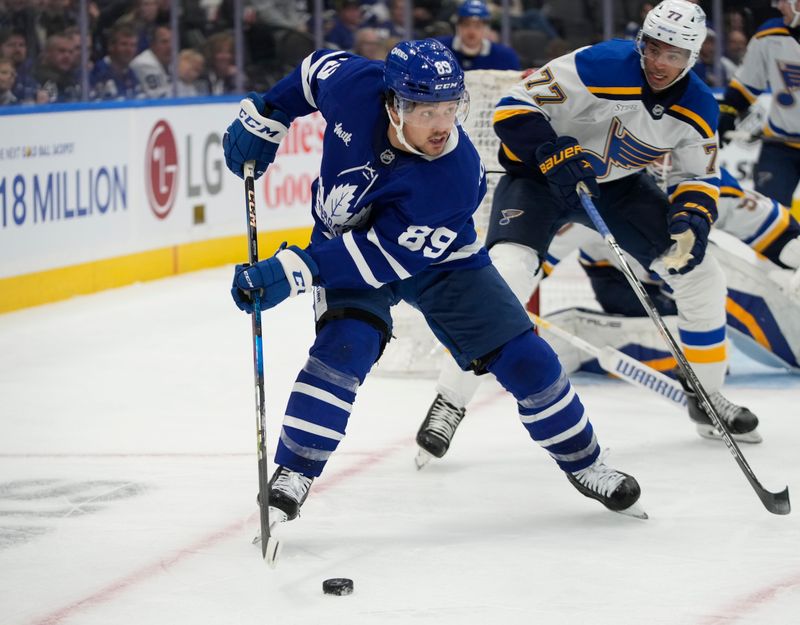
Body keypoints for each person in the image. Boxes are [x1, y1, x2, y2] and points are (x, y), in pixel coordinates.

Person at [222, 39, 645, 522]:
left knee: (527, 360)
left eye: (450, 108)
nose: (443, 125)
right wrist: (272, 112)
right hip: (344, 243)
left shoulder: (455, 174)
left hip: (441, 261)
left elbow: (382, 258)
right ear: (392, 103)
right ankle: (294, 472)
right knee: (344, 347)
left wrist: (295, 270)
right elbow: (312, 70)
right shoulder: (355, 86)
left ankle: (586, 462)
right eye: (426, 111)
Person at [415, 0, 761, 465]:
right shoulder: (598, 65)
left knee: (701, 274)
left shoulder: (698, 105)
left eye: (675, 55)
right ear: (642, 42)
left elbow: (695, 177)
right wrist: (549, 150)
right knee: (506, 277)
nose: (660, 63)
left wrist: (692, 220)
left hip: (615, 189)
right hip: (537, 182)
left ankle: (706, 395)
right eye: (655, 48)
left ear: (694, 57)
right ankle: (450, 401)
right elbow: (511, 107)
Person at [717, 0, 800, 208]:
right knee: (768, 213)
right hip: (780, 146)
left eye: (784, 2)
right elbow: (747, 84)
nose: (779, 7)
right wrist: (728, 110)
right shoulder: (770, 36)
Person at [437, 0, 520, 71]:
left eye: (478, 26)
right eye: (466, 25)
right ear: (458, 27)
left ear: (486, 28)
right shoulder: (439, 50)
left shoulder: (505, 56)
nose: (471, 31)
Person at [89, 23, 142, 101]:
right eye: (124, 44)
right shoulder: (98, 72)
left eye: (133, 45)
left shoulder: (131, 73)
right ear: (111, 46)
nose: (129, 50)